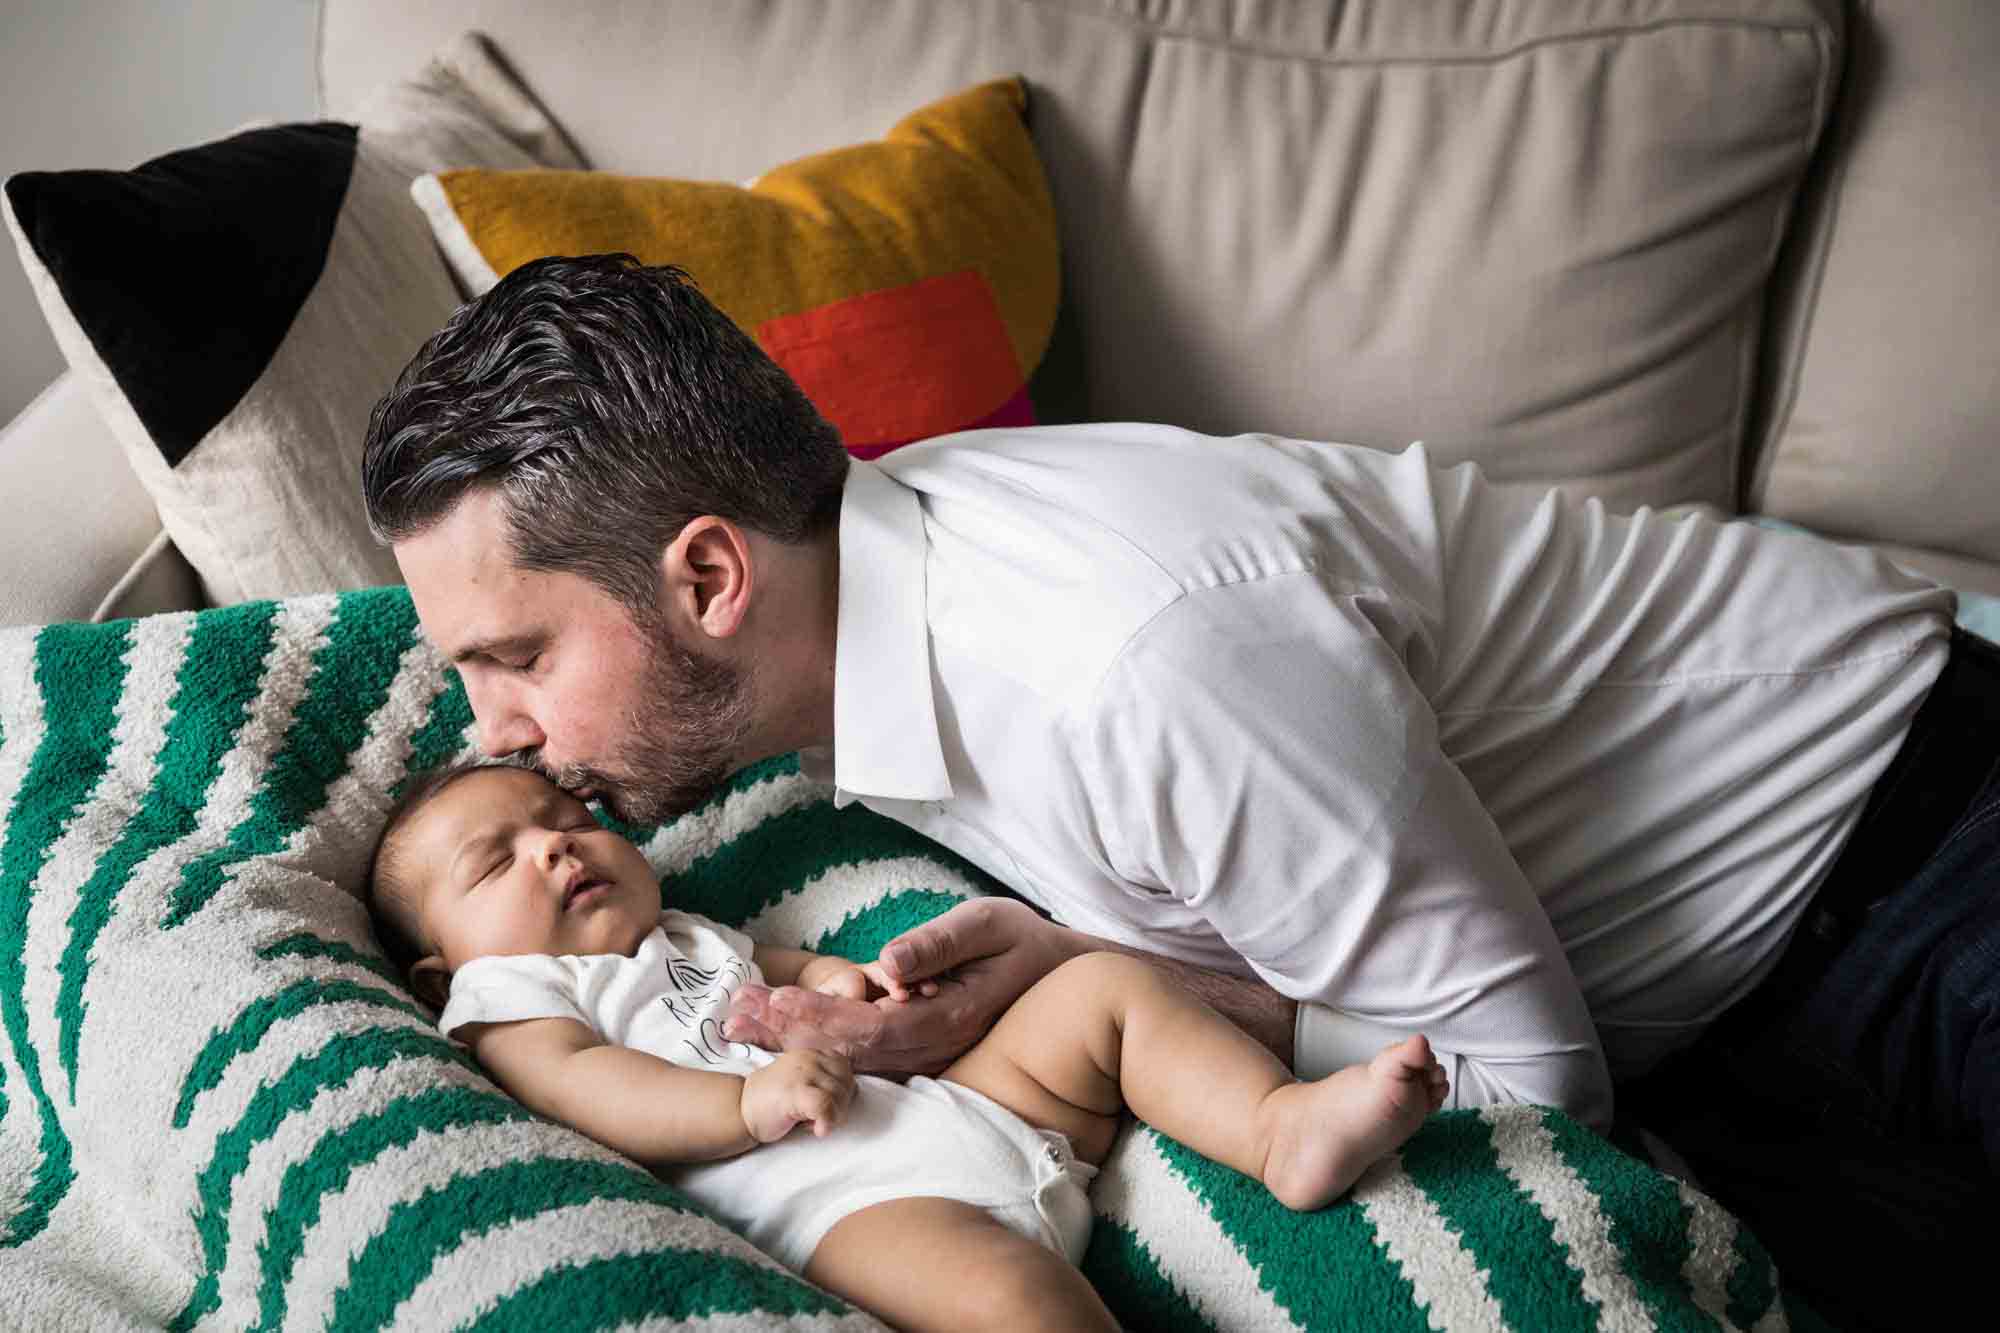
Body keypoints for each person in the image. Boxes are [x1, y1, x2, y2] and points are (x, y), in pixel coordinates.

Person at [362, 253, 1995, 1329]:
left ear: (709, 573)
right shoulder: (829, 637)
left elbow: (1527, 1079)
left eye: (513, 658)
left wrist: (1152, 996)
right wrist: (1078, 958)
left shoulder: (1133, 656)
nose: (496, 729)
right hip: (1700, 1007)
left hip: (1915, 831)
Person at [366, 759, 1448, 1331]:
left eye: (565, 815)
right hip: (845, 1208)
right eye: (495, 861)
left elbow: (776, 968)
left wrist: (835, 981)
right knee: (1010, 1302)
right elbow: (587, 1087)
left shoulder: (680, 930)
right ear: (439, 973)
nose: (554, 848)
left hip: (961, 1112)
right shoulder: (508, 995)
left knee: (1102, 991)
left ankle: (1275, 1127)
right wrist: (738, 1108)